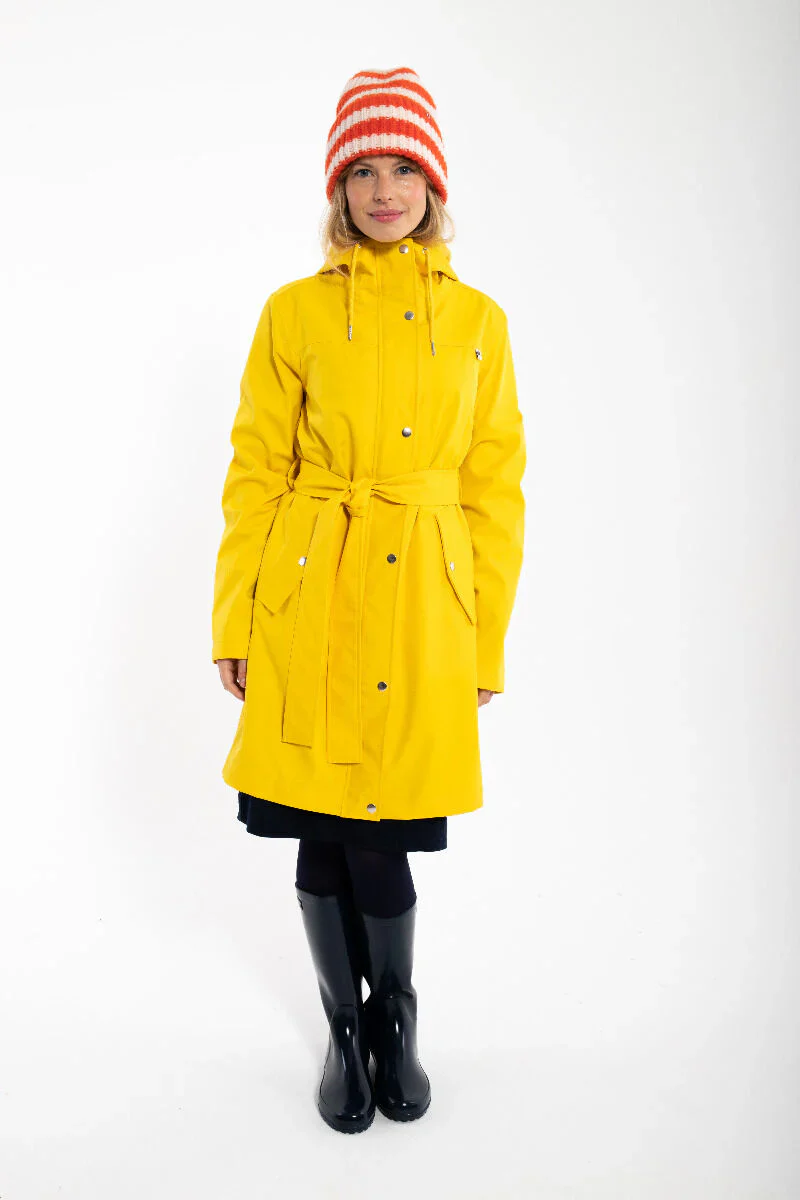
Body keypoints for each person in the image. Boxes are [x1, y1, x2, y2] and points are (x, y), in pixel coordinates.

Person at [211, 66, 526, 1134]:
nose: (383, 190)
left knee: (383, 824)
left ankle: (396, 1016)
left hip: (425, 605)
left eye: (403, 169)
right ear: (336, 188)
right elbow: (255, 471)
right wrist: (235, 617)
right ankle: (343, 1031)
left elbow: (493, 489)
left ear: (433, 186)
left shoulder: (479, 322)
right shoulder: (293, 312)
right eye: (362, 171)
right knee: (320, 821)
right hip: (310, 593)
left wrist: (483, 641)